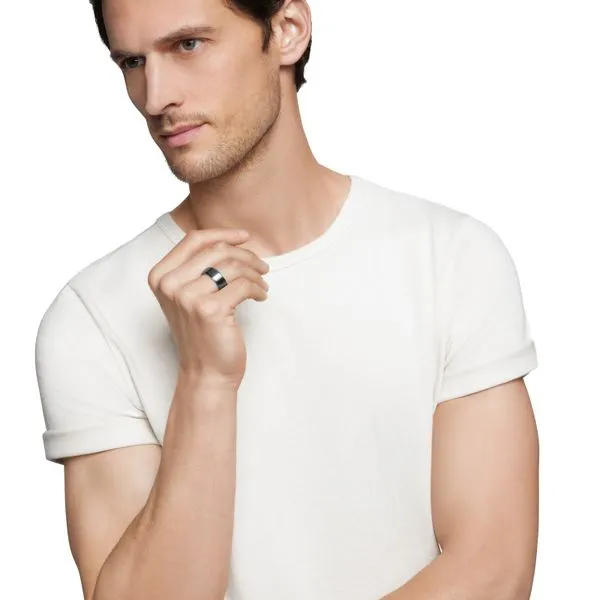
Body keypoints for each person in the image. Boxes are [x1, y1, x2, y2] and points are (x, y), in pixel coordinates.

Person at [34, 1, 540, 599]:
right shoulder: (90, 318)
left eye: (188, 45)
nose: (156, 97)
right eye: (132, 62)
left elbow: (492, 571)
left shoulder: (449, 256)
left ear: (287, 31)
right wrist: (204, 383)